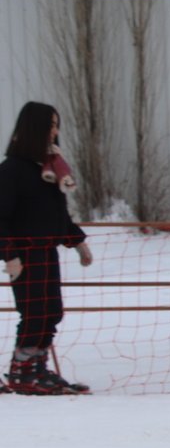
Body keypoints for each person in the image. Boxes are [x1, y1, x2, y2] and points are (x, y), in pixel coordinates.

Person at [0, 101, 92, 395]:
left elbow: (57, 214)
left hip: (46, 250)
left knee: (51, 310)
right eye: (50, 124)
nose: (55, 131)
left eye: (57, 124)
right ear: (34, 128)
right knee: (34, 310)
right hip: (24, 253)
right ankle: (22, 369)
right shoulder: (12, 170)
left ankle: (36, 366)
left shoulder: (50, 170)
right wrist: (9, 256)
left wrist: (76, 240)